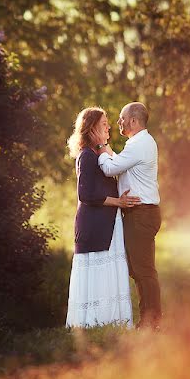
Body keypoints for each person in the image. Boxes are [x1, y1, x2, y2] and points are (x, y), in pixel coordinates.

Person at [65, 107, 138, 329]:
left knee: (110, 271)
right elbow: (85, 194)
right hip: (94, 224)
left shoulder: (99, 153)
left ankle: (110, 321)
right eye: (104, 123)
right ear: (92, 127)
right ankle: (93, 323)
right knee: (97, 272)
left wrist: (103, 145)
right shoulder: (86, 156)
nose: (109, 126)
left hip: (108, 221)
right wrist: (119, 202)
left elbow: (117, 164)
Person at [97, 102, 162, 329]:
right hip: (141, 213)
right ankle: (148, 319)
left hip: (142, 213)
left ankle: (151, 322)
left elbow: (110, 168)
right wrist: (110, 155)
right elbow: (120, 163)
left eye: (122, 118)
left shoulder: (139, 144)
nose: (118, 122)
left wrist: (103, 152)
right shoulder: (139, 143)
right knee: (138, 268)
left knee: (144, 270)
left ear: (133, 121)